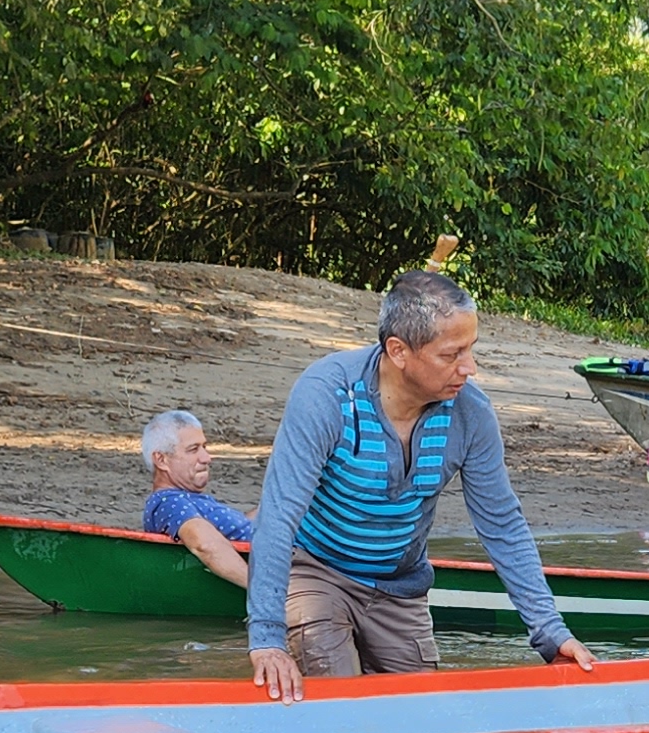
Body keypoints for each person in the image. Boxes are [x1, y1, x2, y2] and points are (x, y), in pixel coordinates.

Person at [245, 269, 596, 698]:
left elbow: (502, 527)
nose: (469, 368)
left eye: (471, 349)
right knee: (335, 702)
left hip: (401, 586)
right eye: (452, 354)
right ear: (398, 351)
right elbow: (278, 516)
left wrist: (551, 634)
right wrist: (267, 639)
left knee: (421, 710)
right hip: (318, 572)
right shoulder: (327, 395)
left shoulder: (470, 414)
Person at [138, 408, 253, 588]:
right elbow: (205, 545)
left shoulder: (189, 500)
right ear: (161, 460)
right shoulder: (167, 502)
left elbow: (238, 528)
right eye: (193, 450)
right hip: (292, 566)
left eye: (204, 447)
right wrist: (266, 594)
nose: (207, 458)